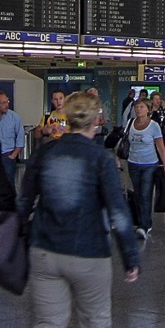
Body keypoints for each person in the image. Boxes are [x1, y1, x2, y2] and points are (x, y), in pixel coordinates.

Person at [18, 91, 141, 327]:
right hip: (90, 252)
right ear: (96, 120)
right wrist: (131, 257)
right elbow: (118, 213)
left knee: (48, 322)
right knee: (95, 320)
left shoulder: (44, 153)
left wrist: (21, 243)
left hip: (45, 251)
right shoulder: (101, 159)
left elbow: (24, 203)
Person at [125, 100, 165, 240]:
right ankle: (142, 220)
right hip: (133, 163)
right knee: (138, 194)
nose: (138, 109)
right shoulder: (130, 123)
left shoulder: (154, 126)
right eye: (136, 107)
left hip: (149, 164)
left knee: (145, 194)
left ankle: (144, 225)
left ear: (148, 110)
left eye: (141, 107)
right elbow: (125, 141)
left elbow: (161, 147)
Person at [0, 92, 24, 185]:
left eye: (7, 102)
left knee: (8, 185)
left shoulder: (14, 117)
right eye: (3, 103)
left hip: (8, 155)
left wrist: (13, 155)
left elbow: (20, 139)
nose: (7, 105)